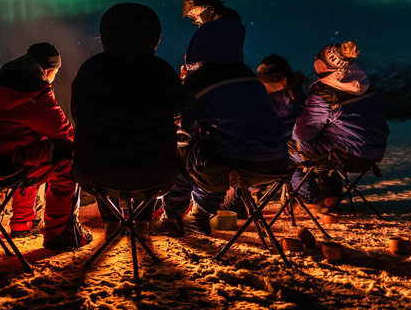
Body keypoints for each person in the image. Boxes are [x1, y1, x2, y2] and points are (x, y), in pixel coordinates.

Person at [152, 18, 289, 236]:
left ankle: (172, 216)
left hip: (231, 165)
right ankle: (201, 213)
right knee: (215, 146)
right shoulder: (250, 78)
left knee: (182, 149)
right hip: (275, 163)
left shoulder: (199, 81)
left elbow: (185, 134)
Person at [0, 43, 92, 250]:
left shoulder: (3, 89)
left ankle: (23, 223)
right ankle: (60, 233)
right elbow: (66, 134)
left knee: (35, 151)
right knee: (65, 155)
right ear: (48, 71)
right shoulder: (34, 93)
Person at [71, 3, 184, 238]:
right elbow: (179, 113)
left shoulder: (90, 71)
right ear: (154, 36)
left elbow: (78, 117)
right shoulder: (163, 72)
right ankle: (142, 222)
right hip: (156, 175)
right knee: (158, 150)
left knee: (102, 148)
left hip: (95, 173)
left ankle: (112, 221)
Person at [291, 41, 389, 210]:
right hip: (374, 150)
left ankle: (310, 200)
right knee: (324, 144)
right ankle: (331, 196)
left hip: (348, 155)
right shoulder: (364, 85)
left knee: (291, 149)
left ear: (322, 63)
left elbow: (302, 134)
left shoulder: (325, 93)